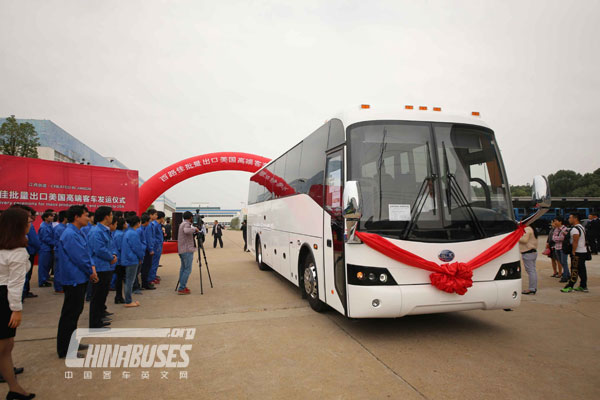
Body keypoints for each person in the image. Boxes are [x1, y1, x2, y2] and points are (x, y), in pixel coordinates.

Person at [0, 208, 35, 399]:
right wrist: (16, 310)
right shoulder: (18, 252)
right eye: (28, 221)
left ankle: (14, 388)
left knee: (7, 346)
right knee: (4, 347)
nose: (30, 224)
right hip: (5, 300)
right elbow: (14, 285)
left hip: (4, 296)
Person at [56, 205, 99, 359]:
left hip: (79, 277)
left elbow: (86, 252)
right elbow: (79, 257)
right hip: (73, 278)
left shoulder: (77, 232)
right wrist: (91, 271)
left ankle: (71, 343)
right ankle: (65, 349)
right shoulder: (70, 234)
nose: (88, 218)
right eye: (86, 215)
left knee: (75, 312)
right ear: (76, 217)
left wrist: (91, 268)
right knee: (70, 314)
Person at [87, 206, 117, 328]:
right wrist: (111, 257)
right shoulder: (96, 231)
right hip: (100, 267)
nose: (112, 217)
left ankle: (99, 317)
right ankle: (95, 323)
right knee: (97, 296)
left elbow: (109, 246)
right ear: (106, 217)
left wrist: (113, 255)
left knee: (102, 295)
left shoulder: (104, 230)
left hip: (106, 267)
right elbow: (99, 249)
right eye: (111, 215)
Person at [561, 213, 589, 293]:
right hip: (583, 251)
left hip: (577, 252)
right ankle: (583, 285)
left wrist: (573, 251)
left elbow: (575, 241)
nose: (569, 219)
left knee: (574, 269)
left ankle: (570, 286)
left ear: (575, 218)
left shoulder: (575, 229)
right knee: (581, 269)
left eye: (570, 218)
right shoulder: (581, 227)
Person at [121, 216, 144, 307]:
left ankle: (128, 300)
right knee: (129, 281)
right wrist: (141, 258)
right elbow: (137, 248)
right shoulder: (133, 234)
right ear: (137, 223)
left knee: (128, 280)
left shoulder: (128, 232)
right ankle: (128, 301)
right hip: (132, 259)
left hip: (127, 258)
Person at [177, 212, 199, 295]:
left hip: (182, 250)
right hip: (187, 250)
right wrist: (195, 229)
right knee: (187, 270)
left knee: (183, 269)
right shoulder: (187, 224)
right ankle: (182, 288)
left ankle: (182, 286)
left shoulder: (182, 223)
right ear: (190, 217)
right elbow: (186, 231)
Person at [37, 211, 55, 288]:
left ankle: (45, 278)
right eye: (50, 216)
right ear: (45, 217)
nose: (52, 217)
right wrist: (56, 243)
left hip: (49, 248)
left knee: (47, 265)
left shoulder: (50, 225)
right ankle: (42, 281)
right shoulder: (43, 227)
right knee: (43, 266)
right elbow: (45, 238)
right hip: (45, 248)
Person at [519, 225, 538, 295]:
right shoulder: (532, 228)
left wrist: (516, 237)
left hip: (528, 253)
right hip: (532, 252)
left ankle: (532, 288)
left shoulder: (527, 229)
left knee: (531, 271)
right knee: (532, 270)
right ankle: (533, 287)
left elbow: (524, 240)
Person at [112, 218, 127, 304]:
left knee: (119, 278)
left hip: (119, 259)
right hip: (120, 260)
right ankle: (118, 296)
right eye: (125, 223)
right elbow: (121, 248)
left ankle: (119, 296)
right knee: (120, 279)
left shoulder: (119, 233)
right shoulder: (120, 235)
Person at [52, 211, 68, 294]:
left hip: (59, 250)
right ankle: (58, 287)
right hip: (59, 251)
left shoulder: (62, 227)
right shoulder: (61, 228)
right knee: (58, 269)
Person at [551, 217, 570, 283]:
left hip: (563, 248)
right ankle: (568, 274)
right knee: (561, 262)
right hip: (557, 247)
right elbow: (553, 238)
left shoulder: (565, 229)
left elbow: (562, 238)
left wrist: (557, 238)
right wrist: (557, 238)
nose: (555, 222)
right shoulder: (555, 229)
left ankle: (565, 276)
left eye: (556, 221)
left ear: (560, 222)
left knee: (564, 262)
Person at [148, 211, 165, 285]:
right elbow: (153, 237)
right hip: (156, 246)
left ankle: (153, 276)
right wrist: (155, 246)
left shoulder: (158, 225)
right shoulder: (154, 225)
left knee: (155, 262)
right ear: (161, 218)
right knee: (154, 262)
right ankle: (151, 278)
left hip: (158, 245)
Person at [140, 212, 156, 290]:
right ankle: (145, 283)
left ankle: (144, 283)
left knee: (145, 267)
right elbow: (148, 238)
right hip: (147, 249)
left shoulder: (146, 226)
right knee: (146, 267)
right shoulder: (149, 226)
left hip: (146, 249)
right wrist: (151, 249)